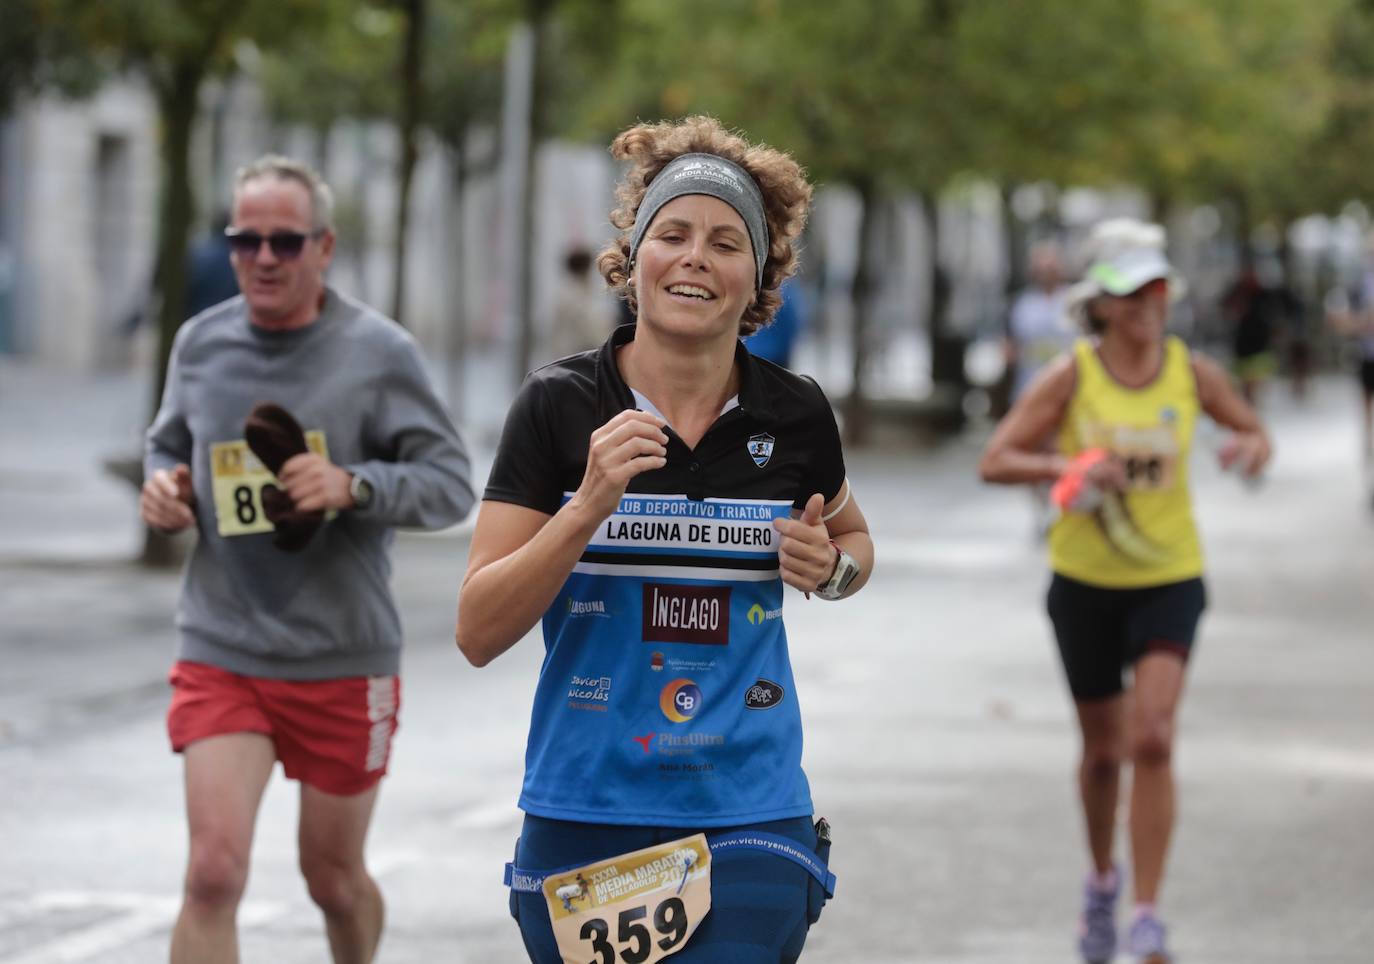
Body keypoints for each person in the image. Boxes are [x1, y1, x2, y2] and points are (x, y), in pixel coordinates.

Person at [456, 116, 873, 963]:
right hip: (586, 810)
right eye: (672, 234)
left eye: (725, 242)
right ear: (632, 258)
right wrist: (586, 508)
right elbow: (477, 629)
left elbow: (854, 541)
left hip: (751, 810)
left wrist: (830, 571)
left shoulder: (793, 415)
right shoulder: (560, 406)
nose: (694, 257)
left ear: (757, 274)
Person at [141, 154, 474, 964]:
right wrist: (165, 490)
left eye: (284, 242)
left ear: (323, 249)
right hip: (223, 646)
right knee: (212, 874)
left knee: (331, 878)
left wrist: (351, 484)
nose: (262, 257)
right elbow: (165, 445)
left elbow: (452, 484)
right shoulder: (200, 343)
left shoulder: (379, 352)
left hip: (341, 655)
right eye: (245, 239)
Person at [978, 218, 1271, 964]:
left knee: (1154, 737)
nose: (1147, 301)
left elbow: (1254, 429)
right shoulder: (1072, 375)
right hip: (1083, 585)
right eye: (1129, 290)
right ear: (1099, 303)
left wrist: (1247, 448)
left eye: (1156, 286)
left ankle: (1146, 912)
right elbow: (997, 458)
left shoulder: (1191, 371)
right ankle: (1103, 884)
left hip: (1170, 579)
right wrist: (1069, 468)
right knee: (1104, 753)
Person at [1004, 240, 1075, 535]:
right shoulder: (1022, 306)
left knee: (1061, 452)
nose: (1046, 272)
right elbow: (1009, 348)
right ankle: (1040, 509)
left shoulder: (1073, 303)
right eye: (1041, 267)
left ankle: (1061, 506)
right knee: (1032, 455)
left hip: (1067, 396)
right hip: (1029, 391)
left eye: (1051, 266)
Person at [546, 245, 615, 361]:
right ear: (586, 267)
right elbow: (595, 333)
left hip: (564, 357)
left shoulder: (565, 292)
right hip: (576, 358)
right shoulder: (577, 295)